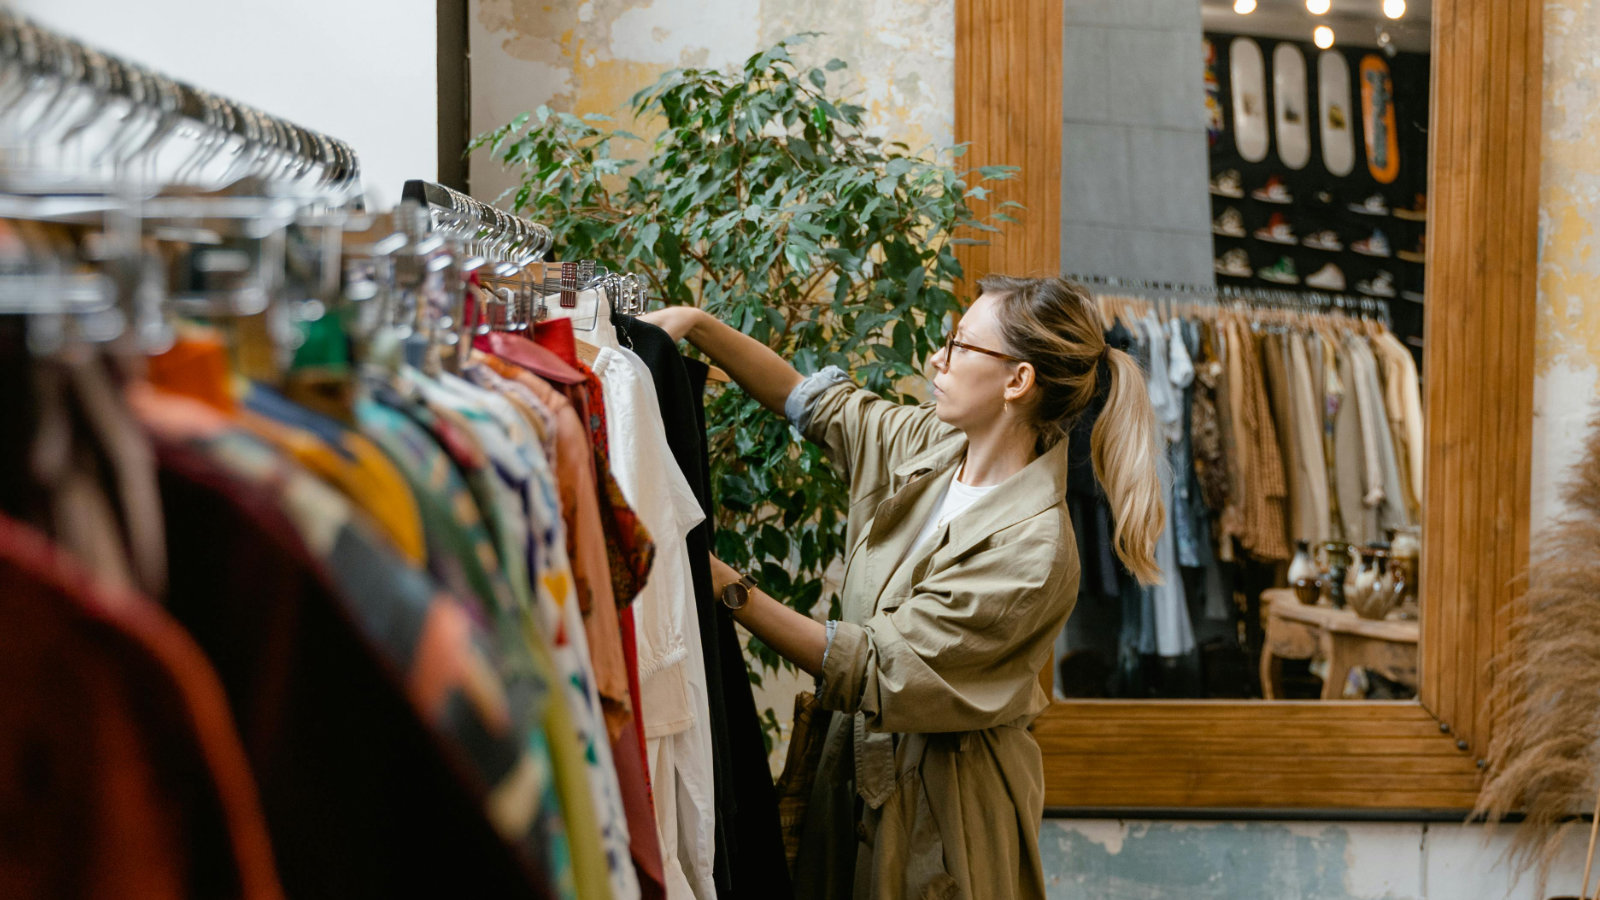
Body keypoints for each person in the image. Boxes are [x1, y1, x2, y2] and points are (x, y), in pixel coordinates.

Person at [641, 274, 1164, 899]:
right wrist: (698, 325)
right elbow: (812, 403)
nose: (937, 358)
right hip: (858, 775)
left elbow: (873, 666)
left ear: (1017, 381)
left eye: (961, 345)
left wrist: (717, 579)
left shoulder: (1036, 552)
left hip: (943, 818)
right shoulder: (937, 446)